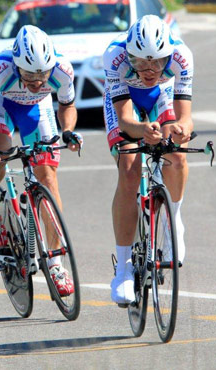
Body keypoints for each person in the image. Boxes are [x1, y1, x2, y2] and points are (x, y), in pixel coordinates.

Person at [0, 25, 83, 297]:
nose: (37, 80)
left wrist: (67, 132)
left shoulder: (61, 70)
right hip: (1, 108)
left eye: (42, 74)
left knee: (48, 179)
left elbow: (67, 105)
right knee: (0, 158)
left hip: (37, 109)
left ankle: (55, 263)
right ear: (17, 65)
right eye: (30, 73)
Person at [103, 15, 193, 305]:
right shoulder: (114, 57)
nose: (149, 69)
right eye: (140, 61)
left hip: (160, 97)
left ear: (168, 55)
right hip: (125, 100)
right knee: (129, 171)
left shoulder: (182, 56)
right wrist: (142, 130)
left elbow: (186, 119)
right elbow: (126, 120)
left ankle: (173, 221)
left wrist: (181, 131)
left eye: (157, 62)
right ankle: (124, 270)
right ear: (129, 55)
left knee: (176, 157)